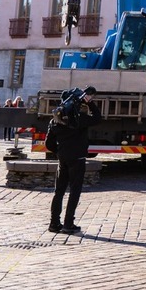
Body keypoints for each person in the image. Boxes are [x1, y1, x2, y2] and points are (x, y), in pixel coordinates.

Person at [46, 86, 101, 235]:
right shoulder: (79, 119)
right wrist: (89, 103)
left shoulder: (55, 119)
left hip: (62, 158)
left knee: (59, 191)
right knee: (74, 191)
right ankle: (68, 223)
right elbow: (97, 118)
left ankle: (54, 223)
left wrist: (59, 152)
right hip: (77, 158)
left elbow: (48, 144)